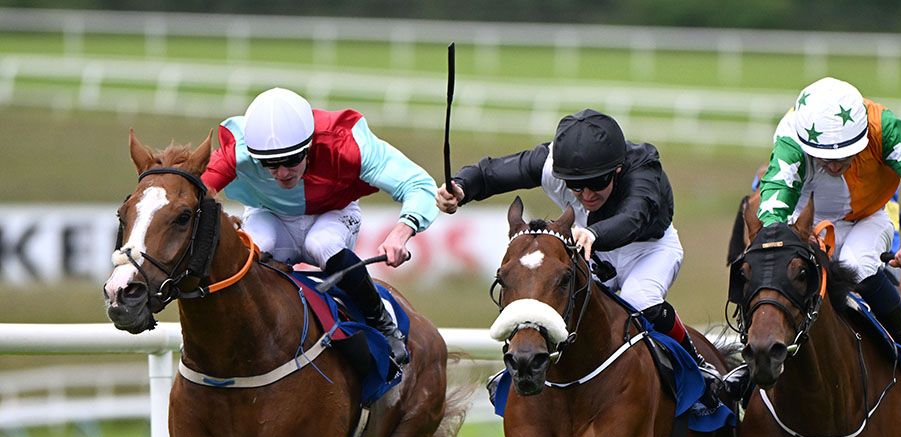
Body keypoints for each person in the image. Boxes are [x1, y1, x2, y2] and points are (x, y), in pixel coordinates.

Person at [436, 108, 714, 374]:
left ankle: (698, 365)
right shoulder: (549, 164)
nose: (586, 194)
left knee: (638, 300)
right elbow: (490, 172)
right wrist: (461, 187)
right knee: (560, 301)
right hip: (589, 247)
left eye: (597, 183)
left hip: (647, 251)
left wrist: (595, 233)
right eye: (576, 186)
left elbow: (634, 216)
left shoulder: (643, 171)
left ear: (617, 170)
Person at [749, 76, 901, 413]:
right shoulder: (791, 132)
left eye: (844, 156)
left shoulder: (885, 128)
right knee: (766, 264)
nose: (833, 165)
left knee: (858, 267)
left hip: (867, 218)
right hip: (805, 217)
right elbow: (772, 202)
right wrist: (776, 243)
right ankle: (749, 361)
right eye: (824, 157)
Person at [201, 87, 439, 367]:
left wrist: (401, 233)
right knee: (253, 248)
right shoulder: (237, 152)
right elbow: (187, 195)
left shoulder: (346, 143)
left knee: (322, 244)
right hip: (268, 214)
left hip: (334, 213)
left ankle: (383, 324)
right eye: (269, 165)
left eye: (291, 160)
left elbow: (419, 185)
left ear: (310, 145)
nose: (282, 174)